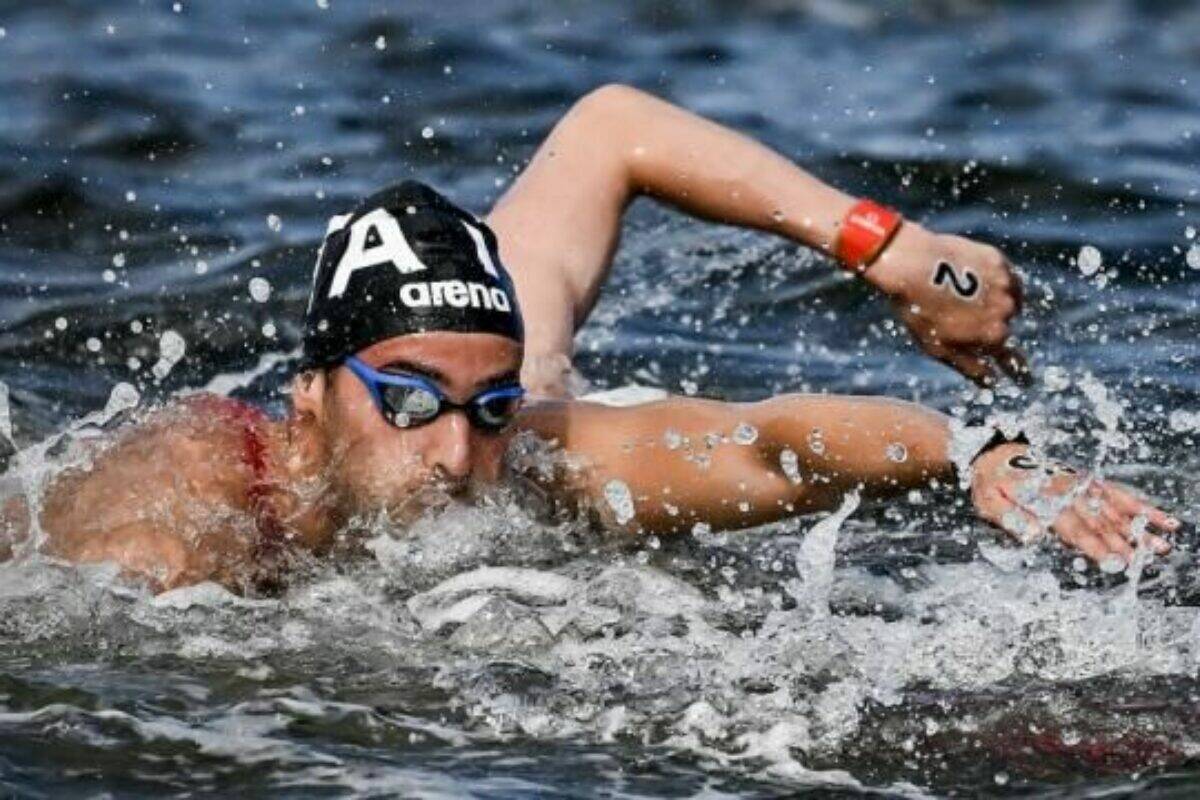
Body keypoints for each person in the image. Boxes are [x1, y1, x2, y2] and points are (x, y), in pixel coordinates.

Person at [4, 180, 1176, 594]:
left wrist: (980, 452)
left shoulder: (531, 439)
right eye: (407, 400)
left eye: (489, 408)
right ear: (311, 397)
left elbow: (768, 442)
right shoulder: (192, 501)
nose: (459, 457)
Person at [487, 84, 1027, 396]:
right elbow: (611, 128)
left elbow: (613, 130)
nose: (457, 449)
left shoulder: (477, 341)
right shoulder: (501, 372)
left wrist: (897, 252)